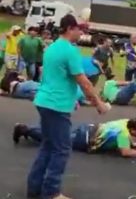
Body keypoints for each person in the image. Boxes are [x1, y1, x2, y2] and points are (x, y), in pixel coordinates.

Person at [27, 14, 109, 199]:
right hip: (57, 105)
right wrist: (99, 104)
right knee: (62, 149)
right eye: (81, 29)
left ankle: (34, 188)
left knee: (48, 146)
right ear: (70, 28)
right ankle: (51, 192)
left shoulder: (52, 47)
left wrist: (75, 97)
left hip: (45, 101)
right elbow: (83, 81)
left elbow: (59, 77)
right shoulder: (69, 51)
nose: (82, 33)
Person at [13, 118, 136, 158]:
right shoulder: (123, 135)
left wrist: (134, 144)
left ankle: (31, 129)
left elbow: (125, 140)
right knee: (56, 141)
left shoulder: (125, 122)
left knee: (58, 133)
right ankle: (25, 129)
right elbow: (125, 153)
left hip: (89, 128)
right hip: (86, 139)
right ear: (132, 129)